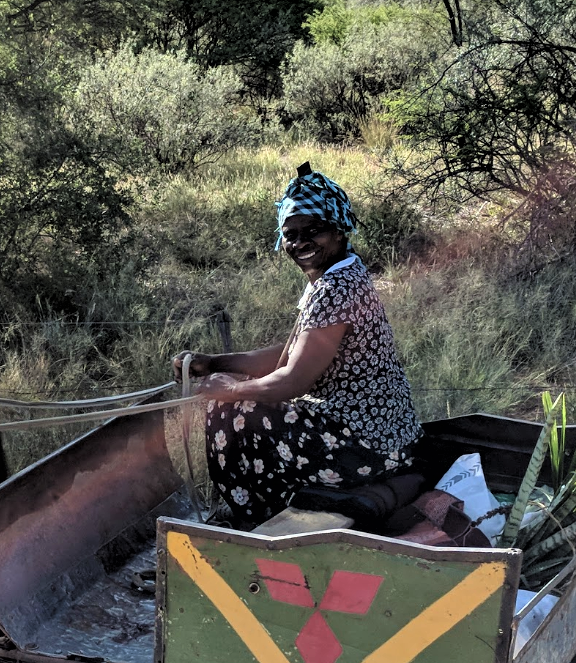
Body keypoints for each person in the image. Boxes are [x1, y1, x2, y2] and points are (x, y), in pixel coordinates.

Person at [176, 165, 422, 529]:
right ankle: (263, 506)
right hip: (387, 437)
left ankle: (251, 519)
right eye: (291, 235)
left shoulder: (334, 289)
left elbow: (293, 380)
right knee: (239, 396)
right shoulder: (345, 274)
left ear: (339, 229)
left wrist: (229, 388)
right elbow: (293, 352)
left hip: (368, 447)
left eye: (314, 231)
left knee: (233, 409)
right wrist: (215, 363)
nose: (301, 242)